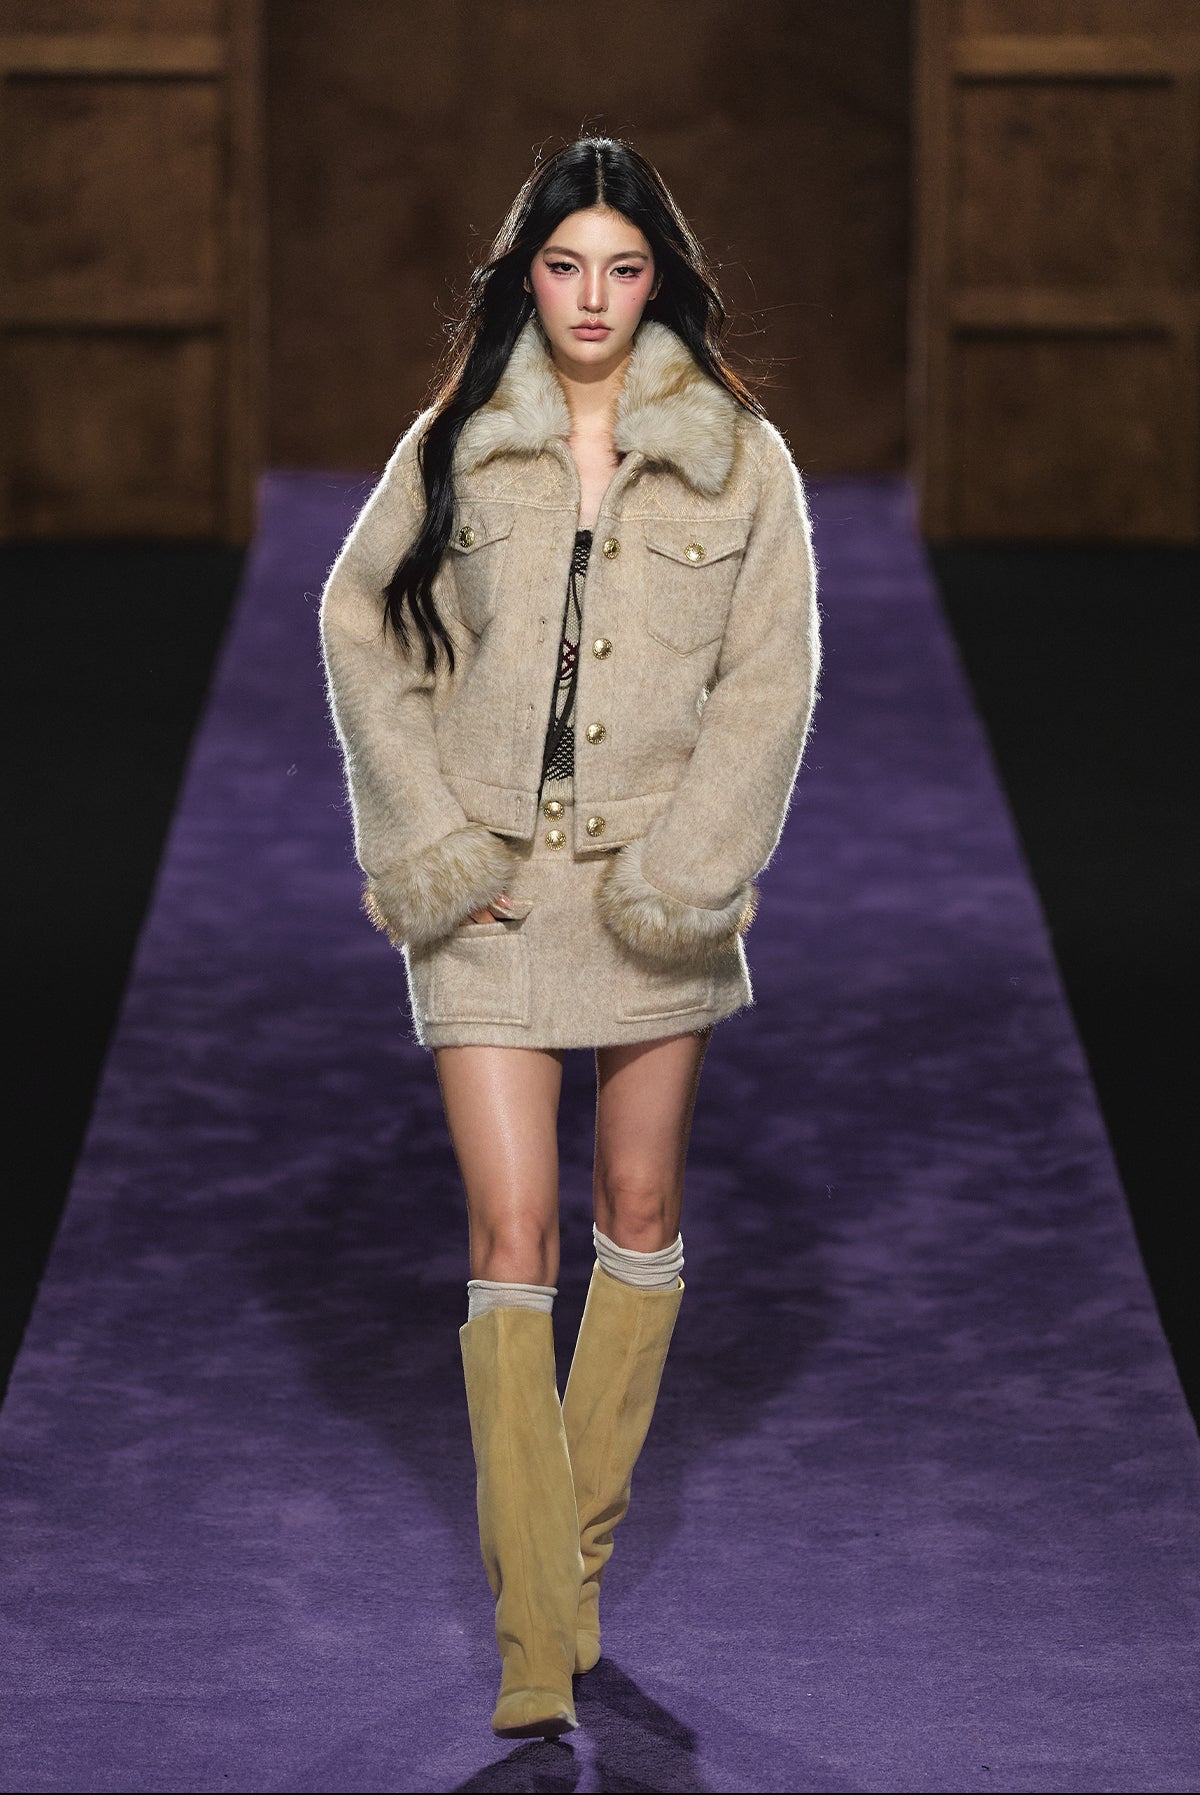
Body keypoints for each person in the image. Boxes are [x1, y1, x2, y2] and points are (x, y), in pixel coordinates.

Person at [319, 135, 821, 1740]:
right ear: (525, 279)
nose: (592, 298)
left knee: (640, 1207)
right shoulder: (458, 441)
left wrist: (689, 870)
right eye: (563, 266)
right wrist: (432, 845)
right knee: (511, 1226)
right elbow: (359, 624)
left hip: (647, 887)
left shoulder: (741, 460)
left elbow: (768, 684)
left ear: (658, 279)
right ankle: (536, 1629)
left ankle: (571, 1559)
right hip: (490, 893)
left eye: (621, 267)